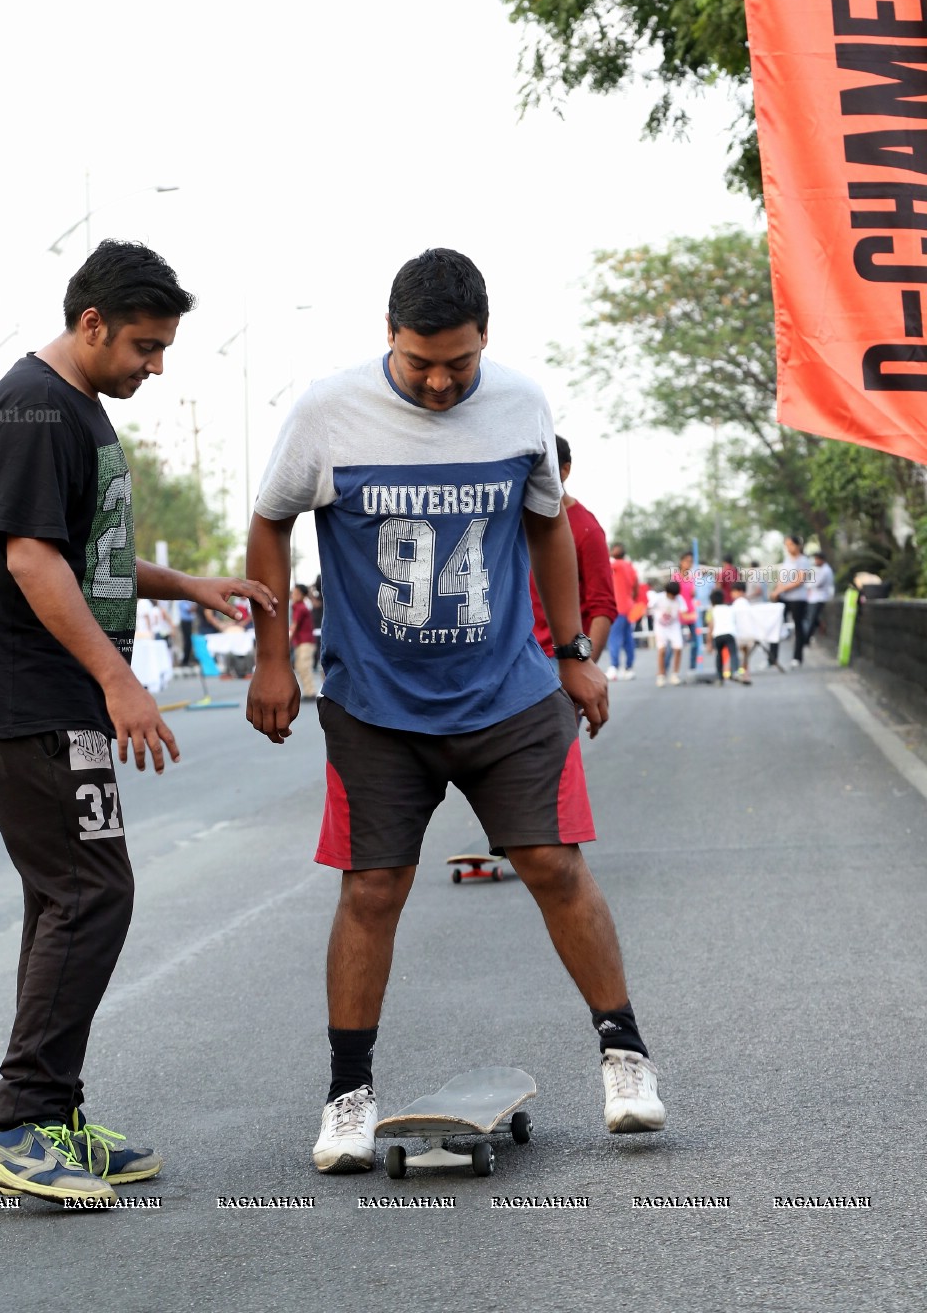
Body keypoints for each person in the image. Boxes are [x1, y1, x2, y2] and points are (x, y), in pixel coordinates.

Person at [246, 247, 665, 1173]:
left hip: (509, 694)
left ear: (487, 343)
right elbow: (270, 521)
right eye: (420, 361)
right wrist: (272, 657)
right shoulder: (327, 411)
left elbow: (548, 523)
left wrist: (573, 652)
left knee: (555, 866)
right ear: (387, 337)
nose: (440, 382)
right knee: (372, 888)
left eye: (459, 364)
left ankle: (624, 1058)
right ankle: (348, 1095)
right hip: (374, 702)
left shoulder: (519, 403)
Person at [0, 239, 277, 1205]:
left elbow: (89, 551)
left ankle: (50, 1115)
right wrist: (121, 682)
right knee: (92, 893)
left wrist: (183, 583)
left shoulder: (76, 408)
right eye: (143, 345)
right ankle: (14, 1120)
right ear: (91, 323)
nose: (155, 366)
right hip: (26, 692)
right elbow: (33, 562)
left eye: (163, 347)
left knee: (66, 897)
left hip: (47, 691)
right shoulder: (37, 408)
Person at [529, 434, 615, 673]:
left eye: (543, 467)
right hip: (516, 661)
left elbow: (602, 608)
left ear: (565, 470)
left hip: (559, 661)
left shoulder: (587, 530)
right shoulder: (512, 521)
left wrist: (582, 667)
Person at [769, 534, 812, 669]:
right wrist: (777, 590)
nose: (789, 548)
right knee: (775, 625)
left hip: (798, 599)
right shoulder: (787, 560)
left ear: (798, 545)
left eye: (791, 545)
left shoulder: (803, 561)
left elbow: (799, 581)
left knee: (798, 627)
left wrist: (781, 589)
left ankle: (797, 658)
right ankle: (772, 658)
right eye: (787, 546)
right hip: (784, 598)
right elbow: (782, 578)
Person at [606, 541, 639, 681]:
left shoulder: (615, 565)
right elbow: (636, 586)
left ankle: (614, 667)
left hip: (618, 608)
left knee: (614, 638)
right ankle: (629, 668)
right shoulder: (630, 567)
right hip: (629, 607)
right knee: (627, 638)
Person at [652, 580, 685, 686]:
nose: (673, 598)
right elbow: (648, 606)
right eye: (671, 596)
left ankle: (675, 674)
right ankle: (661, 675)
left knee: (678, 648)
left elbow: (684, 611)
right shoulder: (659, 598)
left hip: (674, 626)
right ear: (666, 593)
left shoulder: (679, 599)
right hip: (660, 627)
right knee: (662, 650)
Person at [671, 551, 700, 672]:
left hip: (690, 612)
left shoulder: (692, 578)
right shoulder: (675, 577)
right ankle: (669, 668)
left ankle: (692, 667)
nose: (689, 564)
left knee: (695, 641)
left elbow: (693, 594)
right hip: (678, 613)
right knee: (676, 643)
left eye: (691, 562)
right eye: (687, 561)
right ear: (681, 562)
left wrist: (694, 593)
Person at [291, 583, 319, 700]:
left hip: (305, 641)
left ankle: (310, 692)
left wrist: (286, 640)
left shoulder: (300, 607)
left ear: (302, 595)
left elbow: (294, 626)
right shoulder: (297, 606)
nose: (293, 595)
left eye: (296, 592)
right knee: (300, 667)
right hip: (301, 642)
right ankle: (308, 691)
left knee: (304, 666)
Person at [707, 588, 739, 683]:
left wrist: (709, 642)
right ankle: (735, 671)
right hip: (729, 633)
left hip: (718, 634)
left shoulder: (712, 610)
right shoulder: (730, 608)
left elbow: (711, 626)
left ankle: (720, 677)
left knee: (719, 655)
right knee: (733, 653)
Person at [807, 551, 835, 641]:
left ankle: (807, 638)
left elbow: (817, 583)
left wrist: (808, 584)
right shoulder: (821, 569)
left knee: (812, 618)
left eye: (817, 559)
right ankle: (820, 627)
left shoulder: (826, 570)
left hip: (820, 598)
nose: (815, 561)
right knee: (813, 617)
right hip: (815, 597)